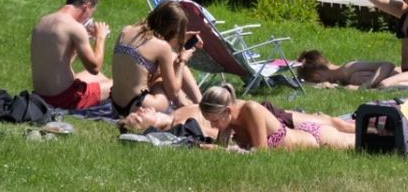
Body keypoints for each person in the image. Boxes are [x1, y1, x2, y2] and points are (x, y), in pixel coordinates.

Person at [123, 85, 355, 150]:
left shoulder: (251, 109)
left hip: (314, 139)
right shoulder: (228, 124)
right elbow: (224, 153)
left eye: (214, 120)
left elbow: (261, 153)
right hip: (306, 142)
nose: (211, 125)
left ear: (227, 111)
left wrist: (232, 151)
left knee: (368, 142)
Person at [110, 0, 203, 117]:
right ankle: (201, 106)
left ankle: (192, 104)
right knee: (162, 78)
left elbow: (147, 49)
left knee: (170, 61)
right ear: (172, 30)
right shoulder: (162, 47)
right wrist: (182, 62)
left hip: (115, 104)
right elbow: (173, 92)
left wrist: (181, 38)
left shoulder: (126, 30)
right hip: (140, 106)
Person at [29, 0, 112, 110]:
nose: (88, 18)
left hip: (40, 96)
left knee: (99, 76)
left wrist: (76, 46)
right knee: (118, 85)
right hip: (64, 99)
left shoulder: (43, 21)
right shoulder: (75, 27)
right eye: (90, 13)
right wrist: (100, 37)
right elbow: (94, 67)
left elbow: (59, 62)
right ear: (87, 7)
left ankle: (100, 95)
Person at [296, 49, 399, 88]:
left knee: (356, 77)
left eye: (315, 81)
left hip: (403, 75)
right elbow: (307, 84)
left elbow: (388, 65)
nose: (318, 82)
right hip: (397, 81)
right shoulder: (342, 78)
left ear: (317, 76)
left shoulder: (349, 69)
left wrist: (363, 87)